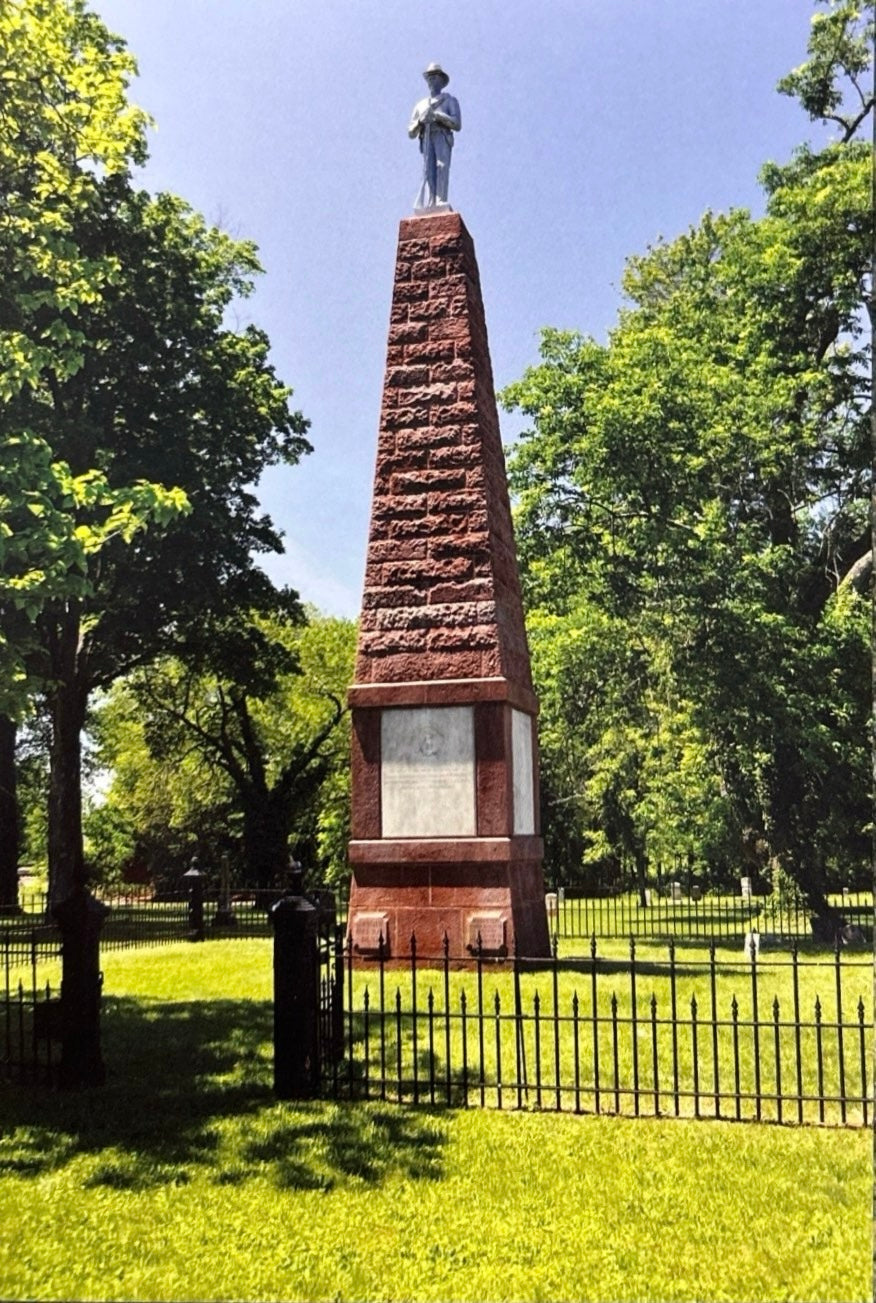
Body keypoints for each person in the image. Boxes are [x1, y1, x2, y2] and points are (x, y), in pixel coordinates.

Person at [408, 63, 461, 209]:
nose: (432, 81)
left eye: (435, 77)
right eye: (430, 78)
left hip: (441, 135)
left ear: (441, 80)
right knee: (428, 170)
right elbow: (411, 132)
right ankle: (430, 201)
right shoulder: (420, 105)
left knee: (441, 166)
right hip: (426, 137)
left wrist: (438, 116)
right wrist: (420, 121)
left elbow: (457, 124)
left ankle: (440, 199)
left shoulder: (449, 100)